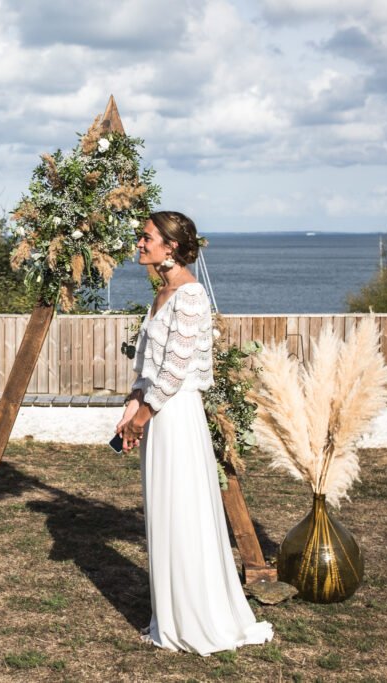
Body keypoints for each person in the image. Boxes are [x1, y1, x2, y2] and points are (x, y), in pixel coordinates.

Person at [115, 211, 273, 655]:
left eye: (146, 237)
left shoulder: (190, 296)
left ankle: (197, 619)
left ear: (170, 246)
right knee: (163, 512)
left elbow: (177, 368)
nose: (139, 243)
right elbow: (149, 363)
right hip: (155, 410)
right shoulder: (162, 292)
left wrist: (144, 415)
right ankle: (171, 616)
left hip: (177, 413)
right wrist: (132, 403)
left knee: (183, 509)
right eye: (141, 237)